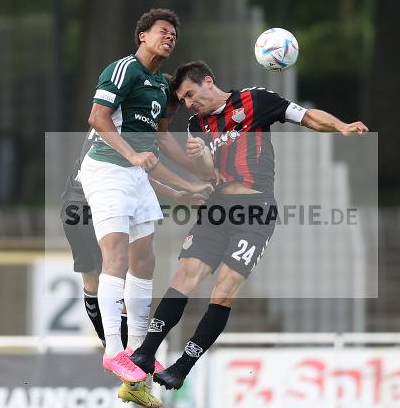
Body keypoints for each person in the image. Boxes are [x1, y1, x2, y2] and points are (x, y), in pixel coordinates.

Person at [124, 59, 368, 390]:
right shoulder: (197, 125)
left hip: (256, 210)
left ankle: (182, 366)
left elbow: (305, 116)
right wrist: (199, 158)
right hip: (218, 207)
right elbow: (207, 172)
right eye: (184, 101)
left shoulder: (255, 100)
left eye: (191, 95)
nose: (189, 104)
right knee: (184, 275)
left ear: (208, 81)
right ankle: (146, 352)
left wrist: (339, 126)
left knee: (223, 291)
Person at [78, 9, 212, 391]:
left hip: (134, 175)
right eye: (162, 32)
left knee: (145, 258)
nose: (169, 37)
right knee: (115, 256)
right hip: (106, 170)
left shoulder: (157, 84)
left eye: (173, 34)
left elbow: (151, 148)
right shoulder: (124, 70)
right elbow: (97, 118)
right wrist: (134, 157)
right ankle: (113, 349)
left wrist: (186, 185)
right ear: (142, 36)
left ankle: (138, 348)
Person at [60, 123, 208, 408]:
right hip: (90, 201)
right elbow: (131, 171)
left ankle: (122, 358)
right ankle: (122, 357)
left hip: (77, 202)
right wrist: (184, 185)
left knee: (99, 278)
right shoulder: (131, 121)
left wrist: (176, 194)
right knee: (121, 273)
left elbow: (134, 174)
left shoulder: (125, 115)